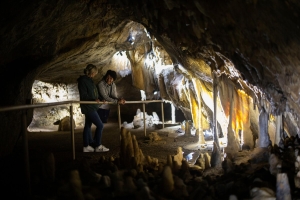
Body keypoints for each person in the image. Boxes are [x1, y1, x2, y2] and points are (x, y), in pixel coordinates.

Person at [77, 64, 109, 152]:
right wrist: (93, 99)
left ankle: (86, 146)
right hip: (89, 107)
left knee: (87, 125)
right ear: (91, 72)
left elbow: (94, 93)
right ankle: (97, 145)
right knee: (100, 125)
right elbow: (84, 95)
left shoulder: (90, 80)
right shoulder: (83, 81)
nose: (95, 74)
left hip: (92, 106)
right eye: (94, 73)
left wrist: (100, 98)